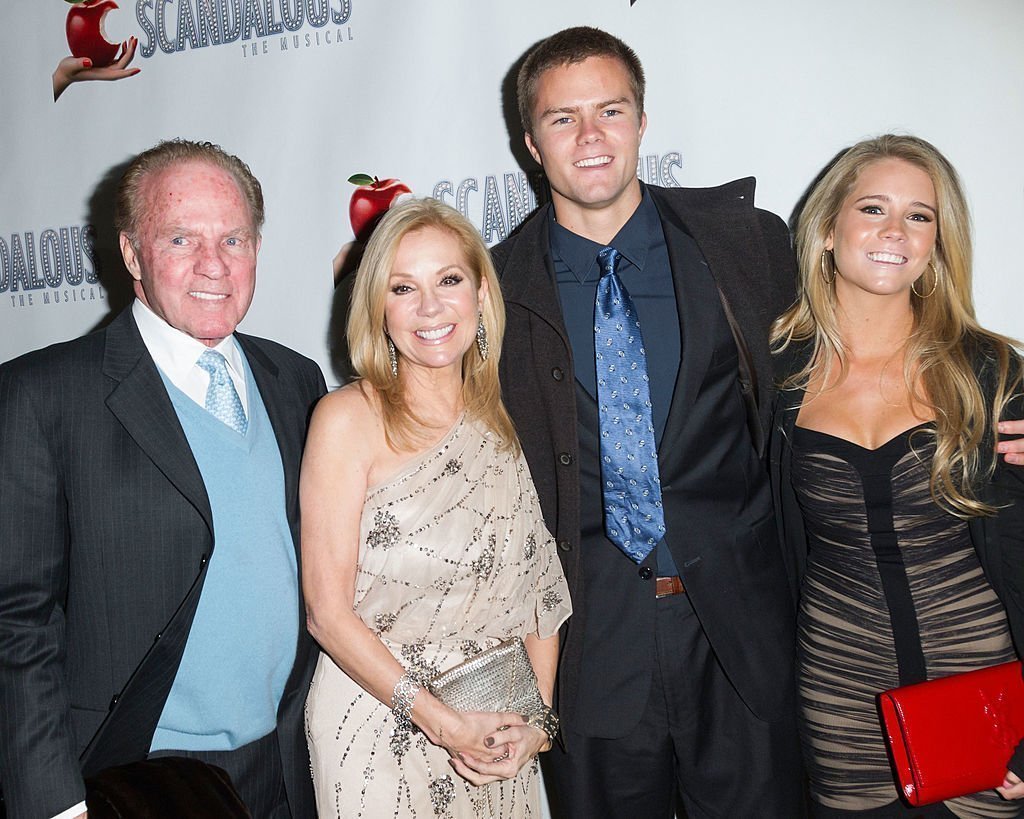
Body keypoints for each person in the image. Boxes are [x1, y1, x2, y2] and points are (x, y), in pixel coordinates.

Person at [491, 26, 805, 818]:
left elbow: (852, 363)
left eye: (611, 111)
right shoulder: (490, 289)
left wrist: (979, 415)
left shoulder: (746, 246)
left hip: (740, 636)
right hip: (589, 652)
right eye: (563, 119)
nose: (591, 136)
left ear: (641, 121)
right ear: (531, 142)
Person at [0, 139, 326, 819]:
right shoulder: (42, 395)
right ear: (131, 253)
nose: (214, 264)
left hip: (286, 768)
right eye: (181, 238)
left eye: (233, 238)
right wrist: (56, 805)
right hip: (137, 778)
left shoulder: (296, 380)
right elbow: (17, 620)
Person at [770, 134, 1024, 818]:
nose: (894, 231)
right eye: (873, 208)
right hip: (843, 700)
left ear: (938, 242)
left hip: (986, 689)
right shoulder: (776, 378)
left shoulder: (991, 373)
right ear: (827, 228)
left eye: (920, 215)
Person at [301, 197, 571, 818]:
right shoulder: (347, 420)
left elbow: (541, 592)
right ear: (377, 307)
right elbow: (327, 614)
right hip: (380, 731)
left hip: (498, 729)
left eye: (448, 280)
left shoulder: (505, 417)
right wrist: (444, 725)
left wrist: (538, 722)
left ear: (480, 292)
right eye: (403, 288)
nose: (429, 307)